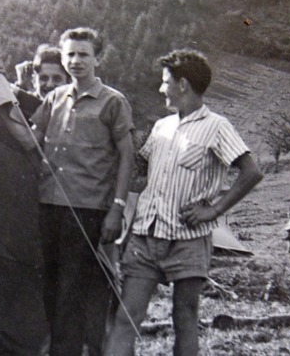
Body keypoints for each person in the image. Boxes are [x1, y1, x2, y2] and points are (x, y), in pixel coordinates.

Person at [103, 49, 264, 356]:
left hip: (188, 241)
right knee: (126, 316)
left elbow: (251, 172)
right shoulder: (162, 126)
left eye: (165, 82)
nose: (161, 88)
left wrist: (214, 210)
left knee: (185, 318)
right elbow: (143, 175)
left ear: (183, 85)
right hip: (146, 237)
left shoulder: (217, 126)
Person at [30, 27, 135, 356]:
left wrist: (117, 208)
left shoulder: (113, 102)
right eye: (70, 54)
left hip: (88, 211)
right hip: (49, 205)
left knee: (71, 292)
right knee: (50, 286)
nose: (76, 61)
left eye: (83, 54)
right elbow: (31, 138)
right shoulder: (54, 98)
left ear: (97, 59)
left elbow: (127, 154)